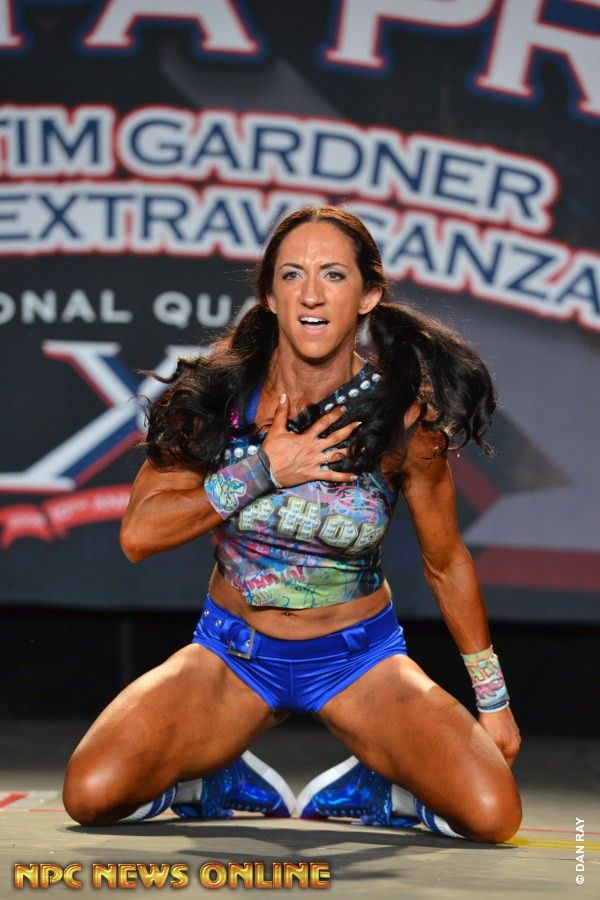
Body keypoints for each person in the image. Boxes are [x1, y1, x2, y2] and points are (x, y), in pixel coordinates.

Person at [63, 206, 521, 842]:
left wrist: (493, 700)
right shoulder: (216, 400)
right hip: (233, 654)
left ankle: (382, 789)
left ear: (368, 296)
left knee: (494, 815)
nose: (311, 294)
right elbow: (139, 536)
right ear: (270, 296)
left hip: (359, 661)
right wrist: (263, 469)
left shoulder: (401, 422)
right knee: (90, 795)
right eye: (292, 275)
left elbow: (445, 562)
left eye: (333, 275)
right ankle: (205, 777)